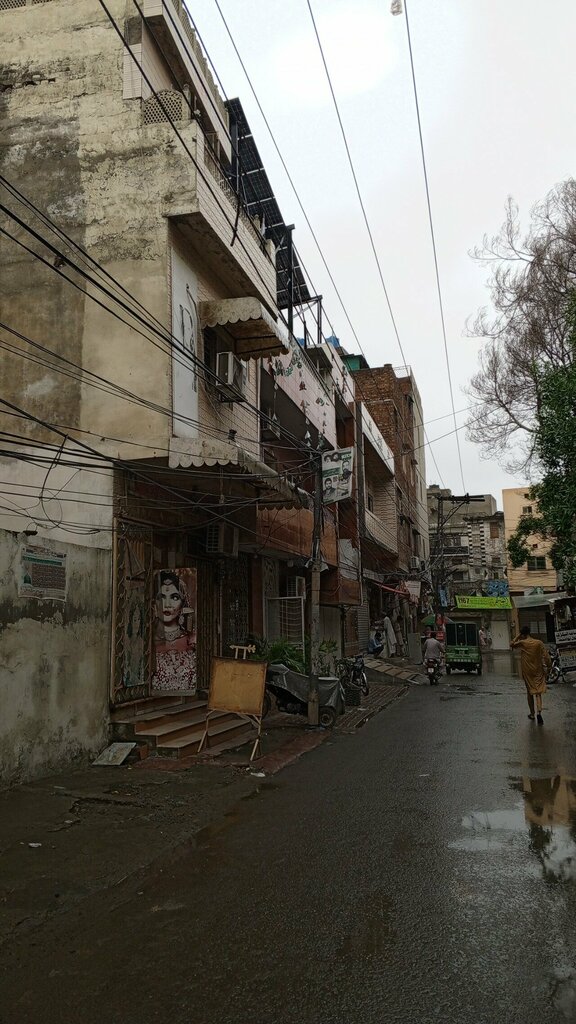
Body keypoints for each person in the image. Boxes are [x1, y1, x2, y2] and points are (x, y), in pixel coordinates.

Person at [152, 570, 197, 692]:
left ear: (182, 604)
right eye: (161, 597)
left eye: (174, 597)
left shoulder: (191, 641)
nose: (167, 604)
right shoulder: (147, 641)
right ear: (154, 604)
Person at [511, 626, 552, 725]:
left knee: (529, 692)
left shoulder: (522, 643)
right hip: (538, 670)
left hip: (527, 671)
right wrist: (549, 667)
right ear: (530, 632)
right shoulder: (539, 643)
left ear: (523, 634)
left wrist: (518, 636)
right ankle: (539, 712)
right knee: (538, 692)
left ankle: (532, 714)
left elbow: (511, 644)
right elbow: (546, 657)